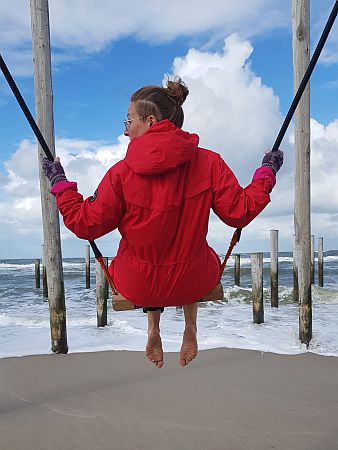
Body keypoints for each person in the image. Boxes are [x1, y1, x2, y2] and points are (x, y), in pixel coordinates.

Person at [42, 78, 283, 369]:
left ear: (151, 121)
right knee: (197, 252)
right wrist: (265, 174)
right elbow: (240, 212)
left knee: (141, 254)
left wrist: (61, 185)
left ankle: (152, 329)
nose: (125, 129)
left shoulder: (120, 174)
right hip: (194, 280)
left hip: (138, 285)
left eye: (129, 121)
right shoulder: (210, 163)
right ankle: (190, 327)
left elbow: (85, 225)